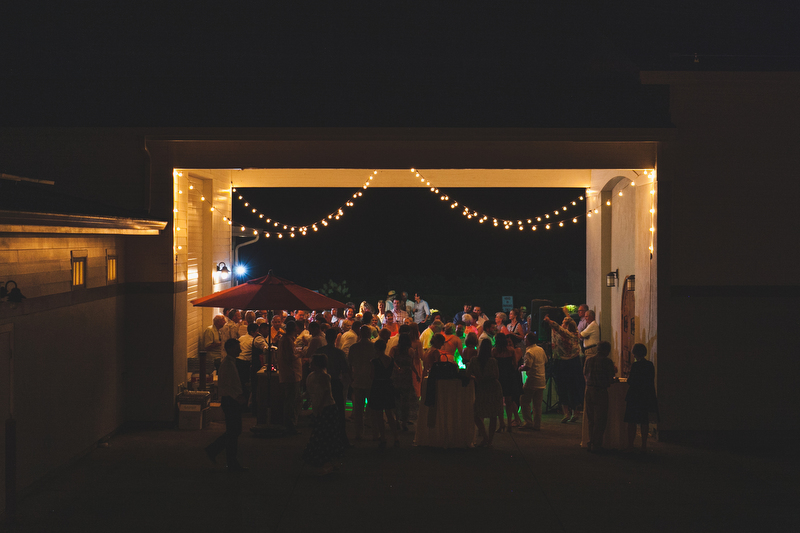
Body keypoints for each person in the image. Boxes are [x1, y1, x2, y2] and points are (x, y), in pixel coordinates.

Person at [205, 338, 247, 472]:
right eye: (237, 348)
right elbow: (227, 385)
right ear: (229, 349)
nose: (239, 350)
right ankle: (224, 456)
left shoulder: (230, 363)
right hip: (230, 401)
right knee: (234, 431)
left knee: (233, 431)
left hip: (231, 400)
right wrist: (237, 397)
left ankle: (218, 452)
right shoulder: (228, 364)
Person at [302, 354, 346, 475]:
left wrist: (317, 406)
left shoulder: (323, 376)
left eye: (312, 363)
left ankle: (325, 463)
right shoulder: (314, 376)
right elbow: (311, 391)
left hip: (327, 409)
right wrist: (305, 400)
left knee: (323, 436)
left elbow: (326, 392)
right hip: (323, 409)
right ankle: (328, 463)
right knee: (325, 436)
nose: (310, 365)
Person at [545, 314, 583, 423]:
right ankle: (567, 413)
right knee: (563, 388)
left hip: (569, 363)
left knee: (571, 387)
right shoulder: (562, 334)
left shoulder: (571, 334)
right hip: (566, 363)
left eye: (564, 323)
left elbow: (558, 329)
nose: (562, 324)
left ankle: (573, 412)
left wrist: (549, 321)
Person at [317, 328, 351, 446]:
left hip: (321, 383)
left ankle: (322, 438)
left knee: (322, 410)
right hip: (335, 382)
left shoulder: (320, 351)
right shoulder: (339, 353)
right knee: (339, 411)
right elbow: (345, 370)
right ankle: (341, 438)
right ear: (335, 338)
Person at [466, 339, 503, 448]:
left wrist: (476, 377)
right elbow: (496, 375)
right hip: (493, 387)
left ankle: (485, 437)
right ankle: (490, 440)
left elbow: (468, 374)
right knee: (493, 414)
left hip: (482, 387)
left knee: (477, 413)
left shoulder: (474, 360)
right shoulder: (493, 361)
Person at [624, 343, 659, 454]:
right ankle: (644, 445)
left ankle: (630, 444)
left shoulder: (635, 366)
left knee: (632, 421)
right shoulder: (650, 365)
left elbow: (631, 381)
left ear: (635, 353)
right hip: (646, 396)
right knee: (644, 421)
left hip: (635, 395)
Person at [583, 341, 617, 453]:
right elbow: (611, 378)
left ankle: (590, 442)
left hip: (589, 390)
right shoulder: (607, 362)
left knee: (591, 418)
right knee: (600, 419)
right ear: (606, 350)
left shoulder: (589, 360)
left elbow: (585, 373)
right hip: (600, 391)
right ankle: (597, 444)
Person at [368, 339, 399, 448]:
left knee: (378, 414)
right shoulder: (391, 359)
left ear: (376, 348)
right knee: (390, 413)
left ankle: (383, 437)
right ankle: (396, 437)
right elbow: (396, 370)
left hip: (377, 386)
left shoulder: (374, 361)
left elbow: (372, 376)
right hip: (388, 386)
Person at [347, 326, 376, 441]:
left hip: (358, 380)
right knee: (372, 407)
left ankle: (359, 433)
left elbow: (349, 364)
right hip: (370, 380)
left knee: (358, 408)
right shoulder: (373, 347)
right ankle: (373, 431)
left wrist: (351, 377)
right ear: (369, 334)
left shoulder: (354, 347)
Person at [492, 333, 522, 432]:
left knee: (499, 401)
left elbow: (493, 365)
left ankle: (501, 424)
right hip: (509, 377)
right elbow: (515, 364)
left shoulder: (494, 351)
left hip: (499, 377)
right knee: (509, 401)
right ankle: (509, 423)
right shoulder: (511, 350)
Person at [389, 332, 419, 432]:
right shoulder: (410, 350)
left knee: (396, 399)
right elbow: (412, 364)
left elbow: (391, 360)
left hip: (396, 376)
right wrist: (417, 374)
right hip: (406, 376)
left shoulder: (394, 349)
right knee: (405, 401)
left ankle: (397, 420)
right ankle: (404, 422)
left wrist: (397, 368)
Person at [277, 321, 303, 435]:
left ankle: (289, 424)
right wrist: (300, 353)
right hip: (291, 374)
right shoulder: (287, 340)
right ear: (295, 329)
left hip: (289, 373)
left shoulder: (286, 339)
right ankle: (290, 425)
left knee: (291, 399)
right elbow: (290, 356)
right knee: (291, 400)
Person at [519, 333, 548, 430]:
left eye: (525, 339)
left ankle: (528, 422)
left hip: (532, 380)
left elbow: (528, 366)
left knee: (524, 400)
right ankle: (537, 424)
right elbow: (546, 361)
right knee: (537, 405)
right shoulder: (541, 349)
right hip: (541, 380)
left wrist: (520, 368)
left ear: (528, 341)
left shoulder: (529, 352)